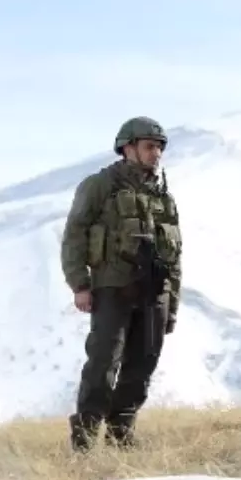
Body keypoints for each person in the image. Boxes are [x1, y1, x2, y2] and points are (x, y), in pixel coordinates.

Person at [61, 117, 183, 451]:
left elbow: (174, 253)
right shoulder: (100, 185)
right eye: (148, 146)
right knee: (103, 361)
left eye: (159, 146)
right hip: (112, 287)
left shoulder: (163, 195)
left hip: (155, 292)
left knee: (143, 363)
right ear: (128, 148)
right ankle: (84, 439)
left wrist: (172, 304)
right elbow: (74, 234)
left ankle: (121, 434)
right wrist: (79, 284)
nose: (155, 153)